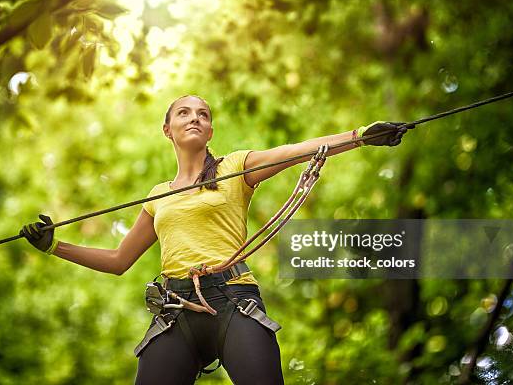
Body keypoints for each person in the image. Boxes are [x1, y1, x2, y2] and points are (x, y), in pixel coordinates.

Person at [21, 95, 411, 384]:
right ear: (167, 130)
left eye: (203, 114)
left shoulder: (234, 167)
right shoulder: (158, 195)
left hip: (233, 302)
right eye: (184, 112)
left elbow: (296, 151)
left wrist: (360, 136)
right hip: (175, 312)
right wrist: (54, 246)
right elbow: (119, 260)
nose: (195, 118)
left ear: (210, 131)